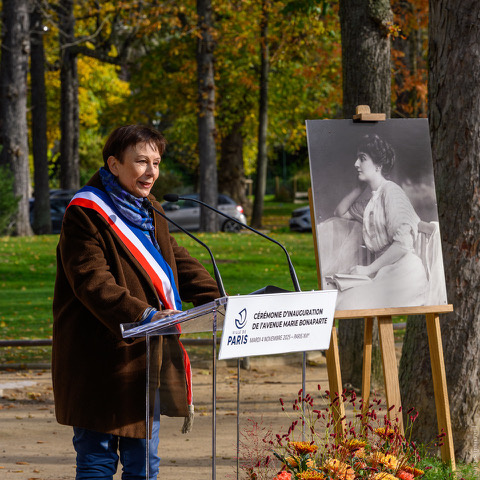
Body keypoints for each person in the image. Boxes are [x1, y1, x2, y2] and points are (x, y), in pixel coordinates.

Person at [52, 124, 220, 480]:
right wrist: (144, 314)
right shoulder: (85, 212)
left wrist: (218, 299)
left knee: (144, 466)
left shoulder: (149, 207)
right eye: (141, 161)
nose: (151, 172)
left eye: (156, 163)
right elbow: (92, 281)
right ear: (114, 164)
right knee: (97, 465)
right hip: (98, 359)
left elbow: (175, 258)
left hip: (143, 360)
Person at [323, 133, 427, 309]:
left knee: (346, 304)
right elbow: (340, 212)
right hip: (385, 271)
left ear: (379, 165)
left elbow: (403, 244)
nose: (356, 164)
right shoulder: (372, 201)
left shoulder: (391, 192)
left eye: (362, 158)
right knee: (337, 296)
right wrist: (358, 188)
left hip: (404, 272)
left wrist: (368, 270)